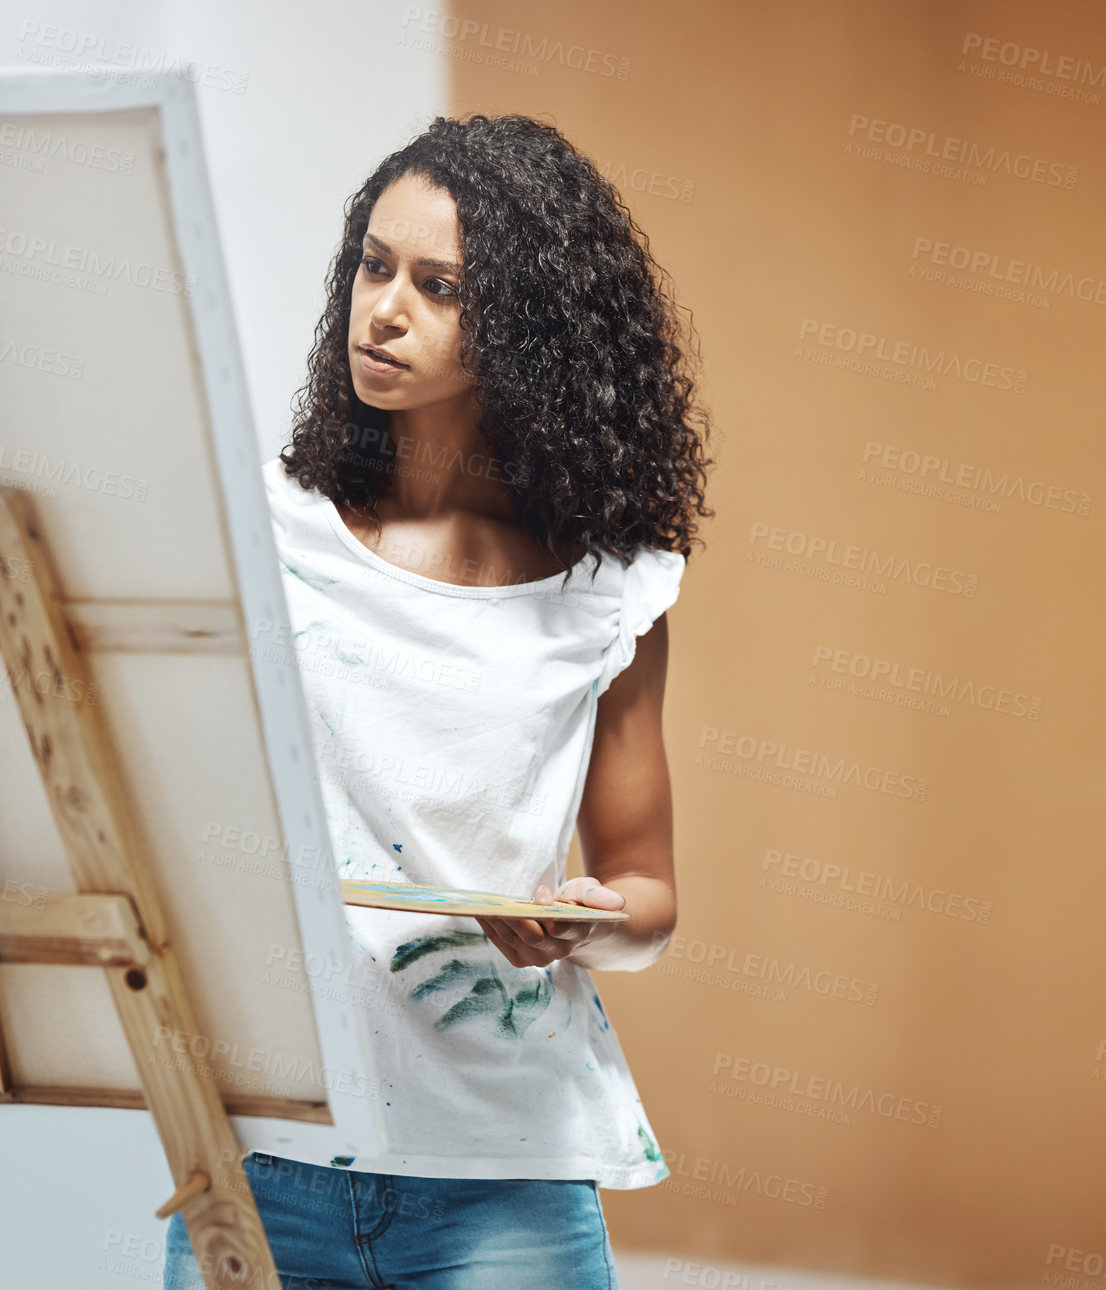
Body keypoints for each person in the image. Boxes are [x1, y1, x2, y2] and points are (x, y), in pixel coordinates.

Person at [164, 112, 713, 1290]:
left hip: (505, 1173)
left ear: (529, 329)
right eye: (372, 264)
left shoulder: (612, 586)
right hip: (266, 1159)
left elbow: (649, 892)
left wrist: (586, 918)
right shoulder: (260, 528)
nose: (384, 310)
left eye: (439, 285)